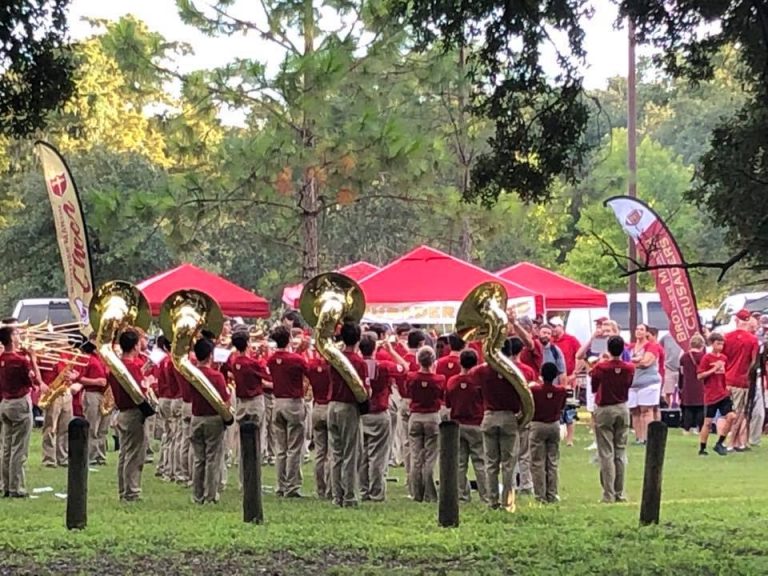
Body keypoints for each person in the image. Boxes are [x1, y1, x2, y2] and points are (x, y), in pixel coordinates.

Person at [471, 338, 526, 511]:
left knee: (491, 463)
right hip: (509, 416)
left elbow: (472, 379)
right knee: (509, 463)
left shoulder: (483, 371)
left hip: (489, 416)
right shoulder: (515, 371)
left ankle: (492, 501)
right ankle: (508, 502)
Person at [358, 334, 406, 501]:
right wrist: (390, 350)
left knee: (362, 454)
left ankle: (363, 490)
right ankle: (376, 491)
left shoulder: (356, 365)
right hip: (379, 412)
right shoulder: (384, 366)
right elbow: (404, 368)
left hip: (361, 413)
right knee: (378, 455)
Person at [327, 320, 369, 507]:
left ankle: (337, 495)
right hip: (348, 406)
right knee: (351, 453)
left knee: (336, 453)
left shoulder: (334, 357)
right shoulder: (359, 362)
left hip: (332, 405)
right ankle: (350, 496)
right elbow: (364, 390)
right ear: (358, 339)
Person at [590, 336, 634, 503]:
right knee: (620, 451)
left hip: (605, 408)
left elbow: (594, 387)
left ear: (608, 349)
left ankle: (608, 493)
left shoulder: (601, 367)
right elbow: (628, 384)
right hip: (622, 408)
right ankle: (619, 492)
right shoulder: (629, 368)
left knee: (606, 452)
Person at [267, 326, 308, 498]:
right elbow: (306, 371)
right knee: (294, 447)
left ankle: (280, 485)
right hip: (293, 403)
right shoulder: (297, 359)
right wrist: (300, 350)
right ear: (289, 338)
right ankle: (292, 486)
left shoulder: (271, 359)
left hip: (278, 402)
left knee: (281, 448)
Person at [189, 338, 231, 503]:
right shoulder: (216, 376)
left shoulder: (191, 374)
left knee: (199, 458)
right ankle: (210, 494)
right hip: (213, 418)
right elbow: (225, 401)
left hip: (196, 417)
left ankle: (197, 495)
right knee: (213, 458)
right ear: (210, 356)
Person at [109, 328, 149, 502]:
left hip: (122, 411)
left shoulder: (116, 366)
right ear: (134, 346)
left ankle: (123, 489)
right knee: (134, 454)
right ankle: (132, 491)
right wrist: (148, 383)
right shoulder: (132, 366)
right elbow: (140, 390)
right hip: (133, 412)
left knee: (125, 453)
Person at [0, 321, 38, 497]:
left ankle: (5, 486)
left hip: (5, 403)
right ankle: (17, 488)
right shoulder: (20, 360)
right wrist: (33, 360)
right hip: (20, 402)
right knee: (19, 448)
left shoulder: (1, 358)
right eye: (16, 334)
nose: (19, 336)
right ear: (11, 339)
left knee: (6, 447)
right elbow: (33, 383)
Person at [445, 349, 488, 503]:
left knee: (460, 462)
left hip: (458, 424)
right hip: (476, 423)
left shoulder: (452, 381)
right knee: (480, 461)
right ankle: (486, 495)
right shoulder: (479, 382)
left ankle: (462, 496)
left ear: (459, 362)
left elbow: (448, 403)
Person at [230, 331, 268, 483]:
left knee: (242, 443)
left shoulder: (235, 361)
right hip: (254, 402)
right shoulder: (252, 363)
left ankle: (242, 480)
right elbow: (267, 375)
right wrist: (260, 356)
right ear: (246, 343)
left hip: (241, 402)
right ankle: (253, 481)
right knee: (256, 442)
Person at [407, 346, 444, 502]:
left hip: (415, 416)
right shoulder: (439, 379)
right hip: (432, 417)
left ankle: (416, 492)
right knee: (430, 457)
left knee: (416, 457)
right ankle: (430, 493)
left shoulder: (411, 377)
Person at [529, 362, 567, 503]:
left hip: (538, 424)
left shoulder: (535, 391)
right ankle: (552, 493)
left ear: (541, 374)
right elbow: (562, 406)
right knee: (552, 461)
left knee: (537, 461)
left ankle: (540, 494)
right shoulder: (561, 391)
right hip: (554, 425)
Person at [722, 309, 759, 451]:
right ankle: (731, 443)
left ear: (736, 320)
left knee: (725, 412)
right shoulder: (752, 340)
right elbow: (753, 362)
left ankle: (725, 440)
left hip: (726, 379)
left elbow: (723, 358)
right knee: (739, 413)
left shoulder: (726, 337)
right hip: (741, 381)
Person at [698, 333, 737, 456]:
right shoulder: (707, 358)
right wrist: (713, 370)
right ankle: (702, 447)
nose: (720, 346)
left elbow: (726, 374)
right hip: (711, 394)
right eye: (718, 343)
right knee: (708, 422)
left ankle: (720, 443)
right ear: (712, 344)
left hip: (723, 393)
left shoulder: (724, 358)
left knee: (731, 416)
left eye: (722, 344)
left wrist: (728, 385)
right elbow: (699, 375)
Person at [78, 334, 110, 466]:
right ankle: (90, 456)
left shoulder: (103, 358)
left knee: (103, 427)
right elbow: (80, 378)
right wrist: (95, 381)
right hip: (92, 393)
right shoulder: (87, 358)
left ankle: (100, 456)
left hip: (105, 395)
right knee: (92, 426)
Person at [628, 324, 661, 445]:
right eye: (637, 329)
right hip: (633, 384)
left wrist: (633, 362)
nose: (639, 331)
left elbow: (647, 362)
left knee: (646, 410)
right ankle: (639, 438)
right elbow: (623, 359)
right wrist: (636, 360)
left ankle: (649, 438)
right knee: (635, 411)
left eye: (642, 329)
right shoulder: (630, 347)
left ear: (647, 332)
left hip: (648, 383)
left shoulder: (652, 346)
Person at [679, 334, 706, 434]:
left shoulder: (684, 357)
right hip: (700, 385)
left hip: (687, 385)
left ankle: (686, 428)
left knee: (688, 407)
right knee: (700, 407)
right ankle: (699, 428)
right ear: (702, 345)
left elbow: (681, 372)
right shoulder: (704, 357)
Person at [659, 332, 682, 407]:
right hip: (669, 367)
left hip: (681, 368)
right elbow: (660, 346)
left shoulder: (684, 336)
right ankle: (668, 409)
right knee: (667, 392)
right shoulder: (666, 337)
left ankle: (681, 409)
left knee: (682, 391)